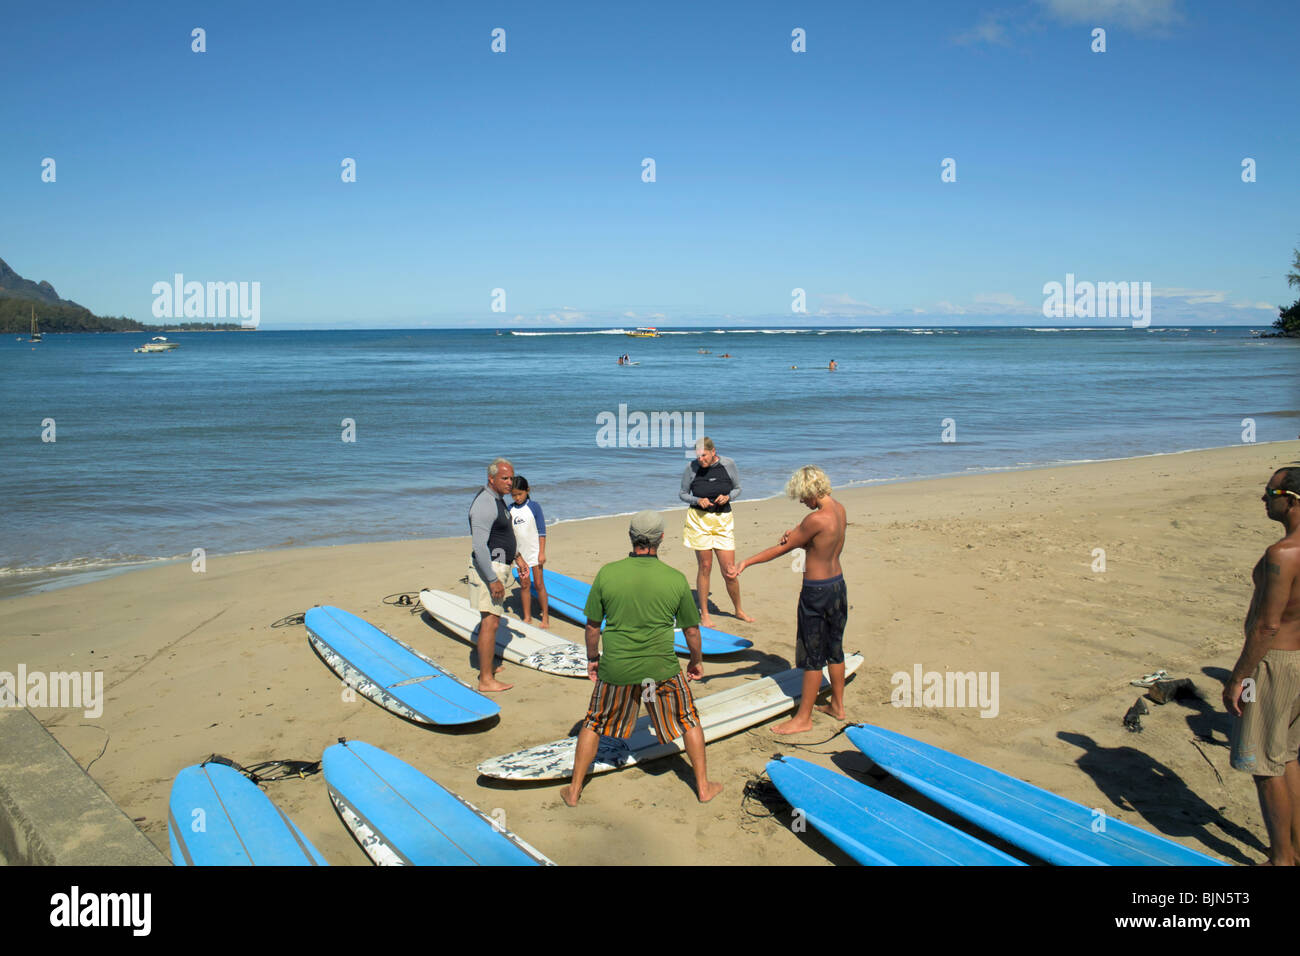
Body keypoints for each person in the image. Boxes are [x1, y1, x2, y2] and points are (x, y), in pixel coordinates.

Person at [560, 511, 721, 806]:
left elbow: (593, 626)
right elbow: (692, 631)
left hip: (617, 668)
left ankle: (573, 791)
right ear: (661, 538)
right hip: (659, 668)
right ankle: (702, 787)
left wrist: (592, 658)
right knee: (688, 720)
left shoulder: (607, 573)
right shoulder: (675, 578)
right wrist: (696, 661)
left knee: (594, 722)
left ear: (631, 537)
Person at [727, 465, 847, 734]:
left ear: (811, 491)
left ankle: (803, 718)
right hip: (838, 586)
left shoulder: (815, 520)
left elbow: (782, 549)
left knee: (813, 656)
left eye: (803, 497)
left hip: (816, 592)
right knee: (835, 648)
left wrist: (746, 562)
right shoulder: (839, 509)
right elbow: (812, 538)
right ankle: (838, 706)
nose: (802, 501)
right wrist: (798, 532)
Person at [1224, 467, 1300, 865]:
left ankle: (1281, 859)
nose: (1265, 500)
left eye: (1270, 493)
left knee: (1263, 765)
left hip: (1274, 665)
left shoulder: (1283, 554)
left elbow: (1268, 625)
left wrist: (1238, 677)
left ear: (1291, 500)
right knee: (1286, 756)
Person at [679, 437, 754, 625]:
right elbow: (682, 493)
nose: (700, 459)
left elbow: (738, 488)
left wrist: (728, 497)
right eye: (698, 456)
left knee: (729, 571)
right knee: (705, 567)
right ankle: (704, 614)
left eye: (704, 455)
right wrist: (697, 500)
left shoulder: (729, 464)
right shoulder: (691, 468)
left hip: (723, 521)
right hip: (699, 521)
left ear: (713, 452)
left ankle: (738, 610)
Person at [466, 457, 519, 692]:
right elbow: (479, 546)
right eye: (504, 478)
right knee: (490, 622)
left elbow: (501, 534)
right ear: (491, 479)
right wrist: (492, 579)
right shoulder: (485, 503)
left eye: (511, 478)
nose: (510, 483)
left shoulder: (498, 500)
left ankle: (488, 667)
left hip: (500, 566)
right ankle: (485, 680)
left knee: (491, 620)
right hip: (491, 569)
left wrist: (517, 557)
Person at [509, 475, 549, 628]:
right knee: (524, 585)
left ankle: (545, 617)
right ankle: (527, 617)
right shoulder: (510, 509)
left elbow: (542, 531)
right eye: (514, 495)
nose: (517, 497)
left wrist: (542, 553)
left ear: (527, 491)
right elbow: (510, 534)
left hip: (535, 552)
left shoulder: (534, 507)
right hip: (520, 556)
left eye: (520, 494)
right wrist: (514, 555)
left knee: (539, 584)